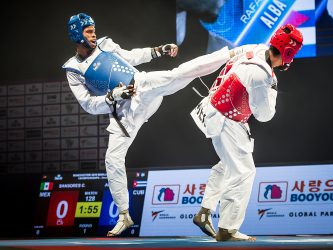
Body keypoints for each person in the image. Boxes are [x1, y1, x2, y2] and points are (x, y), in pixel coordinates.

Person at [63, 13, 237, 237]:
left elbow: (130, 57)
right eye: (88, 31)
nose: (93, 33)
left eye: (93, 29)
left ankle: (230, 53)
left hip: (143, 87)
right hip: (125, 112)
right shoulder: (73, 70)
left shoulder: (105, 44)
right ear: (77, 35)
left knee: (179, 74)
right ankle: (124, 215)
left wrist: (158, 50)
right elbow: (88, 104)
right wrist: (114, 96)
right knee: (112, 159)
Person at [190, 24, 303, 241]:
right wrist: (273, 88)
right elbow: (264, 115)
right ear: (288, 53)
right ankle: (227, 229)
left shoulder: (255, 49)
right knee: (243, 172)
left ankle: (204, 212)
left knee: (226, 165)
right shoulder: (262, 76)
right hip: (226, 121)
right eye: (292, 54)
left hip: (217, 109)